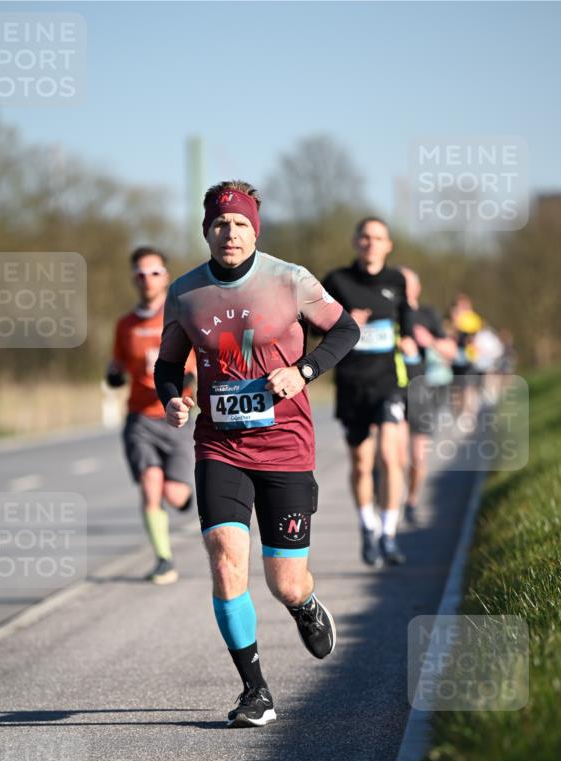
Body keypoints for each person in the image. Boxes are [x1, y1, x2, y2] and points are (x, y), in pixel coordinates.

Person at [154, 180, 359, 727]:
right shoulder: (186, 293)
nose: (231, 232)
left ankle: (304, 605)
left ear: (255, 231)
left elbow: (345, 330)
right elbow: (168, 364)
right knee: (225, 559)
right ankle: (255, 691)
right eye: (220, 224)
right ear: (206, 231)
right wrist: (172, 397)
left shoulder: (290, 280)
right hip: (219, 445)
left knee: (284, 581)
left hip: (286, 447)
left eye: (241, 223)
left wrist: (304, 370)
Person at [323, 218, 417, 567]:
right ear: (355, 241)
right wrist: (345, 322)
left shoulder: (396, 280)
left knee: (392, 457)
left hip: (387, 382)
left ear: (388, 245)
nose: (371, 243)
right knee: (362, 463)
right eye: (365, 237)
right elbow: (314, 326)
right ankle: (368, 526)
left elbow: (406, 318)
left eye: (378, 238)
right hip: (352, 383)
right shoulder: (337, 281)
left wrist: (410, 339)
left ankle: (389, 534)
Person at [106, 246, 196, 585]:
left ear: (166, 277)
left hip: (176, 418)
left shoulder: (181, 317)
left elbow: (195, 365)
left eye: (154, 273)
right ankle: (163, 560)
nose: (147, 280)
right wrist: (114, 375)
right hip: (140, 419)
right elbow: (117, 366)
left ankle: (184, 500)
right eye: (141, 274)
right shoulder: (125, 325)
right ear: (134, 279)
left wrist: (187, 383)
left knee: (174, 494)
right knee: (149, 484)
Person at [399, 267, 456, 524]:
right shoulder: (389, 313)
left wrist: (429, 340)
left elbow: (451, 351)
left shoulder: (427, 314)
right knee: (395, 455)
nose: (403, 288)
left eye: (407, 283)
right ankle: (391, 498)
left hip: (421, 391)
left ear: (417, 288)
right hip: (392, 389)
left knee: (417, 456)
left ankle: (411, 500)